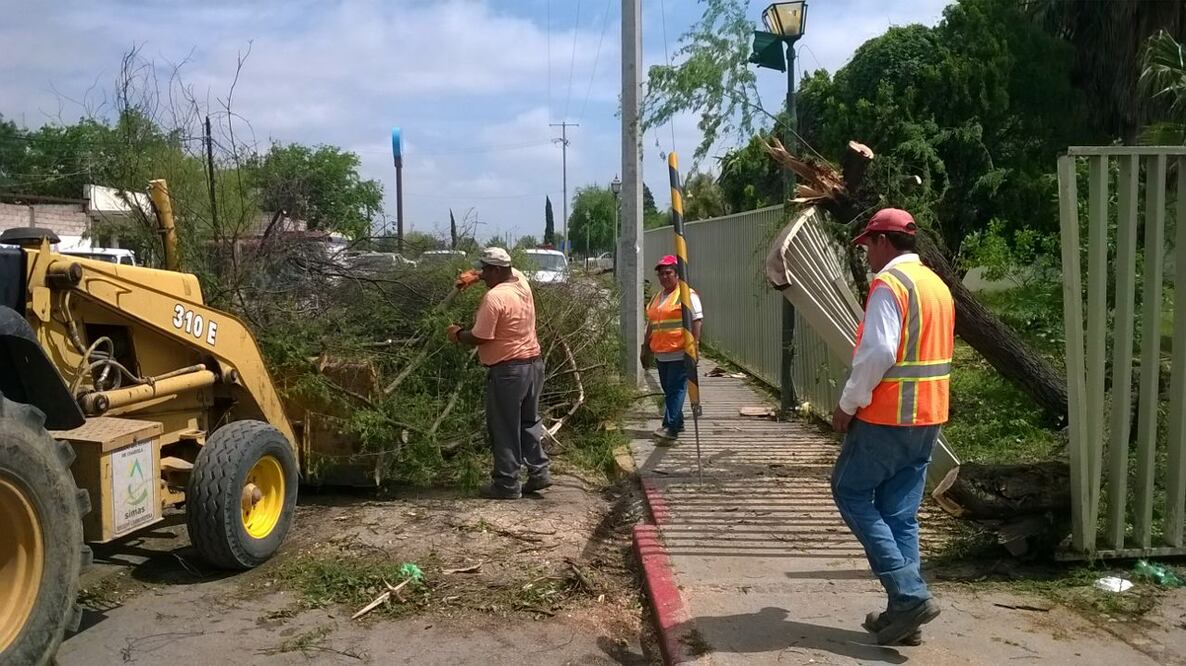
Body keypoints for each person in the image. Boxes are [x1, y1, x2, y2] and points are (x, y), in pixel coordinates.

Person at [829, 208, 954, 646]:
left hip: (887, 417)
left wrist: (848, 404)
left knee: (849, 491)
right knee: (900, 514)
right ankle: (905, 617)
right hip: (929, 416)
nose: (866, 255)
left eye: (867, 245)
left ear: (883, 241)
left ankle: (909, 593)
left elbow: (879, 352)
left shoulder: (890, 284)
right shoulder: (936, 285)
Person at [446, 247, 549, 500]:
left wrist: (458, 335)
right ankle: (539, 472)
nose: (483, 276)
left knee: (503, 426)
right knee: (528, 422)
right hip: (533, 365)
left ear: (495, 270)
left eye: (485, 270)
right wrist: (476, 276)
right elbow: (507, 270)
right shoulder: (520, 281)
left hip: (508, 371)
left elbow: (481, 336)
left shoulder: (495, 298)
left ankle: (506, 483)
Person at [642, 255, 703, 441]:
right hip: (662, 353)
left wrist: (695, 346)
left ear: (677, 274)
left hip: (680, 351)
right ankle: (678, 422)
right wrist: (646, 346)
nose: (664, 277)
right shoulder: (657, 297)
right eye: (661, 274)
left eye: (668, 273)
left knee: (676, 390)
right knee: (669, 390)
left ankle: (670, 427)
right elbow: (652, 323)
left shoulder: (686, 294)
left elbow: (697, 320)